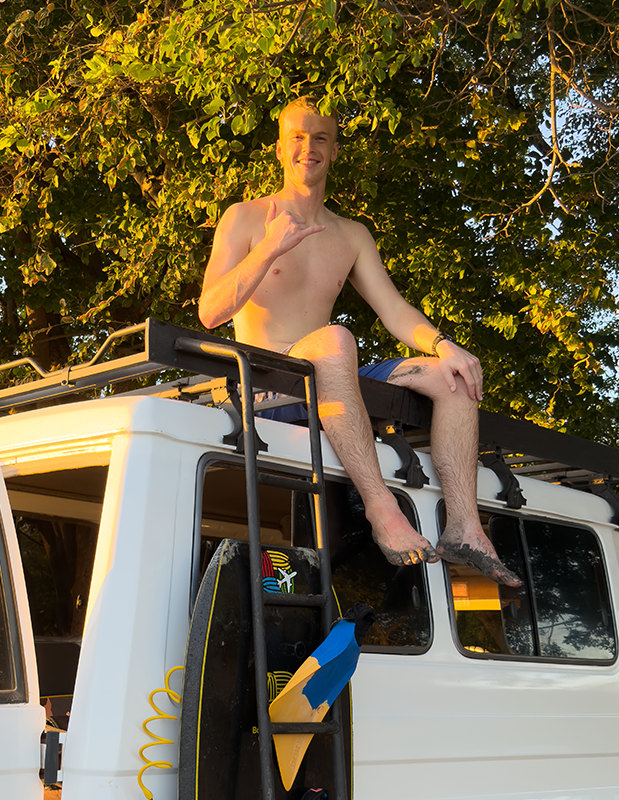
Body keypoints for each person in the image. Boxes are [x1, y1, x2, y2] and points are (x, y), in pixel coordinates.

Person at [198, 96, 520, 586]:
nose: (309, 147)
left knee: (450, 380)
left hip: (331, 377)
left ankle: (464, 528)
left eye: (320, 138)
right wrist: (268, 249)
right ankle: (382, 511)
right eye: (298, 138)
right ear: (280, 148)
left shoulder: (351, 235)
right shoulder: (245, 218)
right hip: (266, 381)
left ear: (334, 150)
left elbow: (393, 310)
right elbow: (210, 312)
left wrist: (443, 345)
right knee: (335, 339)